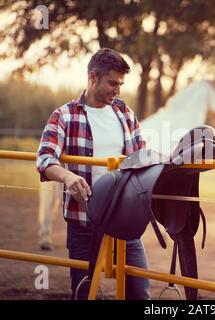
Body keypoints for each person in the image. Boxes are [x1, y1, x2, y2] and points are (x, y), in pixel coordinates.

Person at [36, 48, 150, 299]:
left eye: (120, 84)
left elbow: (143, 157)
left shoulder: (126, 114)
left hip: (125, 222)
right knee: (85, 293)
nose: (117, 90)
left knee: (139, 293)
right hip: (83, 222)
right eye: (112, 83)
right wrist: (67, 177)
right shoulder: (64, 115)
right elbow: (44, 158)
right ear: (92, 77)